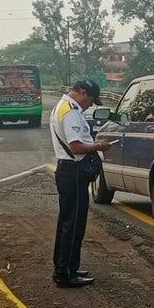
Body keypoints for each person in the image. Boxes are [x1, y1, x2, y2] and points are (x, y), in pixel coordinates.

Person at [49, 80, 111, 287]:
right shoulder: (70, 112)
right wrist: (99, 146)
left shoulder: (63, 106)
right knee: (73, 224)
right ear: (83, 93)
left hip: (67, 170)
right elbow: (76, 146)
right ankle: (66, 273)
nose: (90, 105)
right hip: (72, 171)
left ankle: (65, 267)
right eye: (91, 99)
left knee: (67, 222)